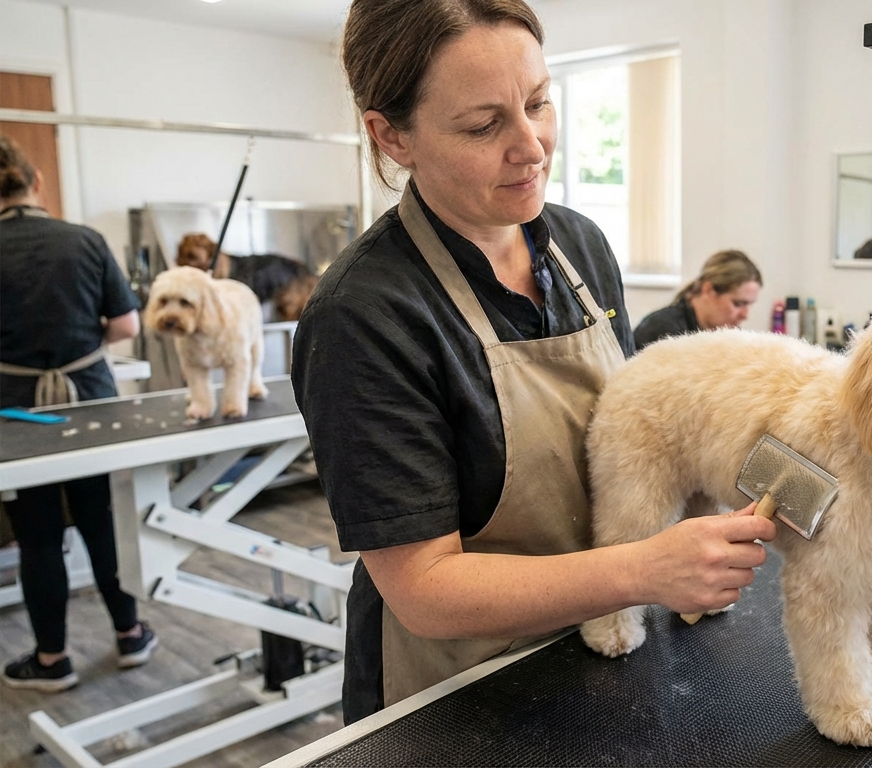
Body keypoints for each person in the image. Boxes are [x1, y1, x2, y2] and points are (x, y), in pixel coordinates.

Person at [293, 0, 776, 724]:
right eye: (484, 125)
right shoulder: (363, 316)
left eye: (540, 103)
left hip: (600, 647)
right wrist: (644, 570)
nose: (533, 146)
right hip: (458, 693)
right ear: (392, 135)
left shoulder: (578, 245)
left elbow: (639, 431)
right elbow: (425, 588)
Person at [0, 137, 158, 692]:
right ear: (36, 181)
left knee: (38, 535)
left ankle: (51, 660)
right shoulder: (84, 241)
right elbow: (125, 327)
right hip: (92, 400)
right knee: (100, 520)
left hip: (15, 414)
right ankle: (131, 632)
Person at [632, 249, 762, 350]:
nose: (745, 315)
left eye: (749, 305)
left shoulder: (726, 336)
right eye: (738, 304)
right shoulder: (663, 332)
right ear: (708, 290)